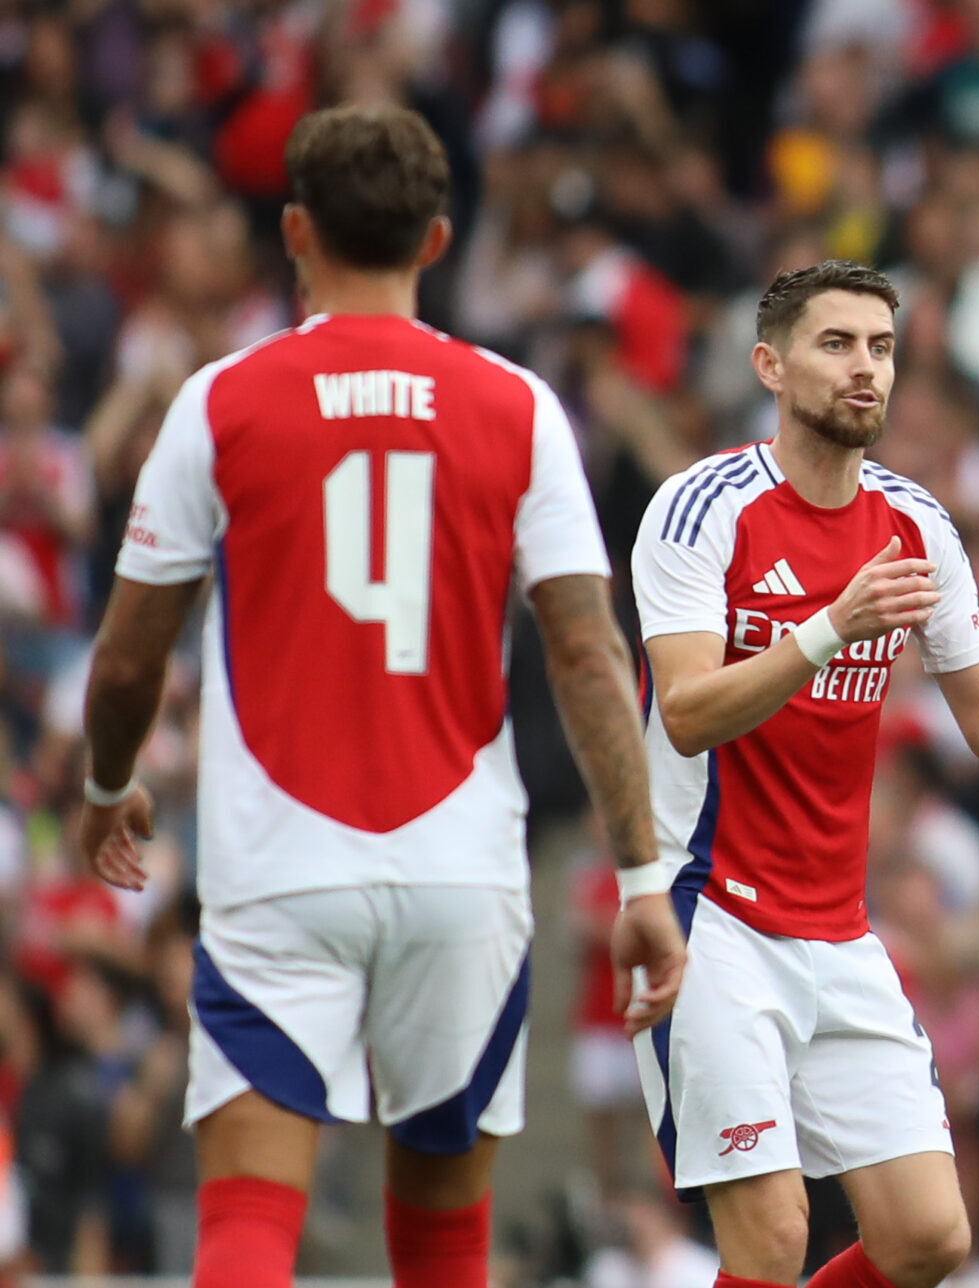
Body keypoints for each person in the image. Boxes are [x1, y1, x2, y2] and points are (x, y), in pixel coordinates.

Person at [74, 104, 687, 1288]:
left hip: (280, 863)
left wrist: (108, 784)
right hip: (460, 865)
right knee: (446, 1245)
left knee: (249, 1228)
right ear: (440, 239)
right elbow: (589, 658)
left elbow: (127, 657)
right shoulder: (518, 409)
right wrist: (643, 874)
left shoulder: (221, 402)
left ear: (294, 230)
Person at [629, 258, 979, 1288]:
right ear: (770, 363)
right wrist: (828, 627)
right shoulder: (699, 506)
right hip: (706, 911)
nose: (866, 370)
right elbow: (684, 711)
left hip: (837, 925)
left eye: (882, 349)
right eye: (837, 344)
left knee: (929, 1237)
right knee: (770, 1235)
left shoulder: (916, 524)